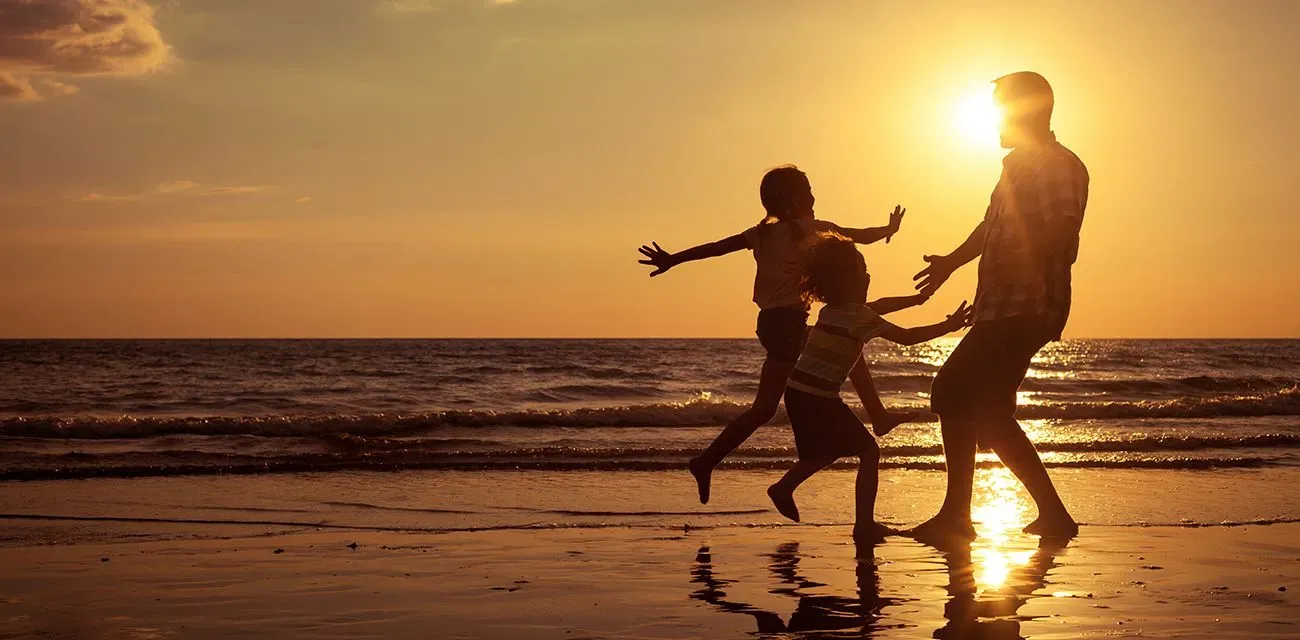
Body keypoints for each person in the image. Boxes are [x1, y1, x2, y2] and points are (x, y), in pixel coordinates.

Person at [637, 165, 929, 504]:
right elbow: (855, 235)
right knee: (848, 337)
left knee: (763, 408)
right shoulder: (811, 229)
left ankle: (706, 461)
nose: (815, 197)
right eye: (808, 191)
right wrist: (888, 230)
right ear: (794, 199)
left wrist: (674, 259)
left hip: (772, 325)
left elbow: (716, 247)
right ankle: (875, 415)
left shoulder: (762, 235)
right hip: (786, 326)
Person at [909, 71, 1089, 541]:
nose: (993, 123)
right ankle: (1048, 515)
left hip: (1027, 305)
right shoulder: (1016, 167)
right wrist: (951, 261)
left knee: (952, 391)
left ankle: (959, 516)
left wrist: (1018, 261)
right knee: (986, 411)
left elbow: (1063, 231)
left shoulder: (1056, 164)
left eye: (1000, 112)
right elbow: (990, 226)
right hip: (1002, 305)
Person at [765, 234, 972, 541]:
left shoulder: (833, 310)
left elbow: (879, 306)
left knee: (824, 453)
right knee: (869, 451)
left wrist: (915, 300)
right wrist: (948, 326)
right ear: (847, 281)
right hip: (819, 398)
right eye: (862, 272)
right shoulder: (859, 317)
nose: (868, 276)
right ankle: (863, 525)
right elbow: (908, 337)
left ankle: (784, 487)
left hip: (798, 393)